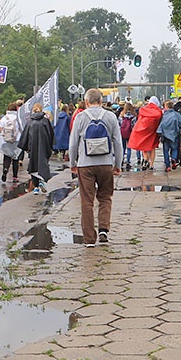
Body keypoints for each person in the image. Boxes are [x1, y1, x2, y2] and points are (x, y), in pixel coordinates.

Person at [69, 88, 123, 247]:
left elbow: (73, 144)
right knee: (105, 197)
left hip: (85, 165)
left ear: (86, 102)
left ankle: (89, 239)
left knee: (87, 201)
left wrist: (73, 163)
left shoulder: (80, 117)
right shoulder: (111, 116)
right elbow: (118, 143)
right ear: (101, 101)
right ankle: (104, 230)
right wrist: (117, 164)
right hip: (106, 163)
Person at [17, 103, 54, 194]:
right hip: (44, 147)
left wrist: (25, 147)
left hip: (32, 147)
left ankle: (36, 187)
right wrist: (51, 146)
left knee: (33, 165)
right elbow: (51, 134)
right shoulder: (45, 121)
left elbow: (25, 135)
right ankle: (42, 181)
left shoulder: (30, 121)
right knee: (43, 164)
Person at [128, 96, 163, 170]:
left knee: (144, 146)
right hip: (153, 132)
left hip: (143, 131)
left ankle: (145, 159)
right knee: (152, 148)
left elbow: (139, 120)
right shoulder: (158, 112)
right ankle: (151, 164)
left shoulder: (143, 110)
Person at [0, 102, 22, 183]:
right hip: (16, 140)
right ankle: (15, 177)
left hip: (5, 141)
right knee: (15, 158)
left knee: (6, 157)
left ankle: (5, 169)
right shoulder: (18, 118)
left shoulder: (4, 118)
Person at [157, 100, 181, 172]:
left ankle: (167, 166)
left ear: (166, 107)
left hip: (165, 136)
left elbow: (161, 125)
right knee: (174, 148)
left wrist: (159, 134)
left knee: (165, 150)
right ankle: (173, 159)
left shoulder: (164, 115)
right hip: (175, 135)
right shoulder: (177, 115)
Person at [119, 102, 137, 169]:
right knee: (129, 148)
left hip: (122, 133)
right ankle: (128, 162)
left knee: (123, 148)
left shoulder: (122, 115)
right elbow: (134, 125)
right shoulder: (133, 116)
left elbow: (119, 124)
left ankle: (121, 161)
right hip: (130, 133)